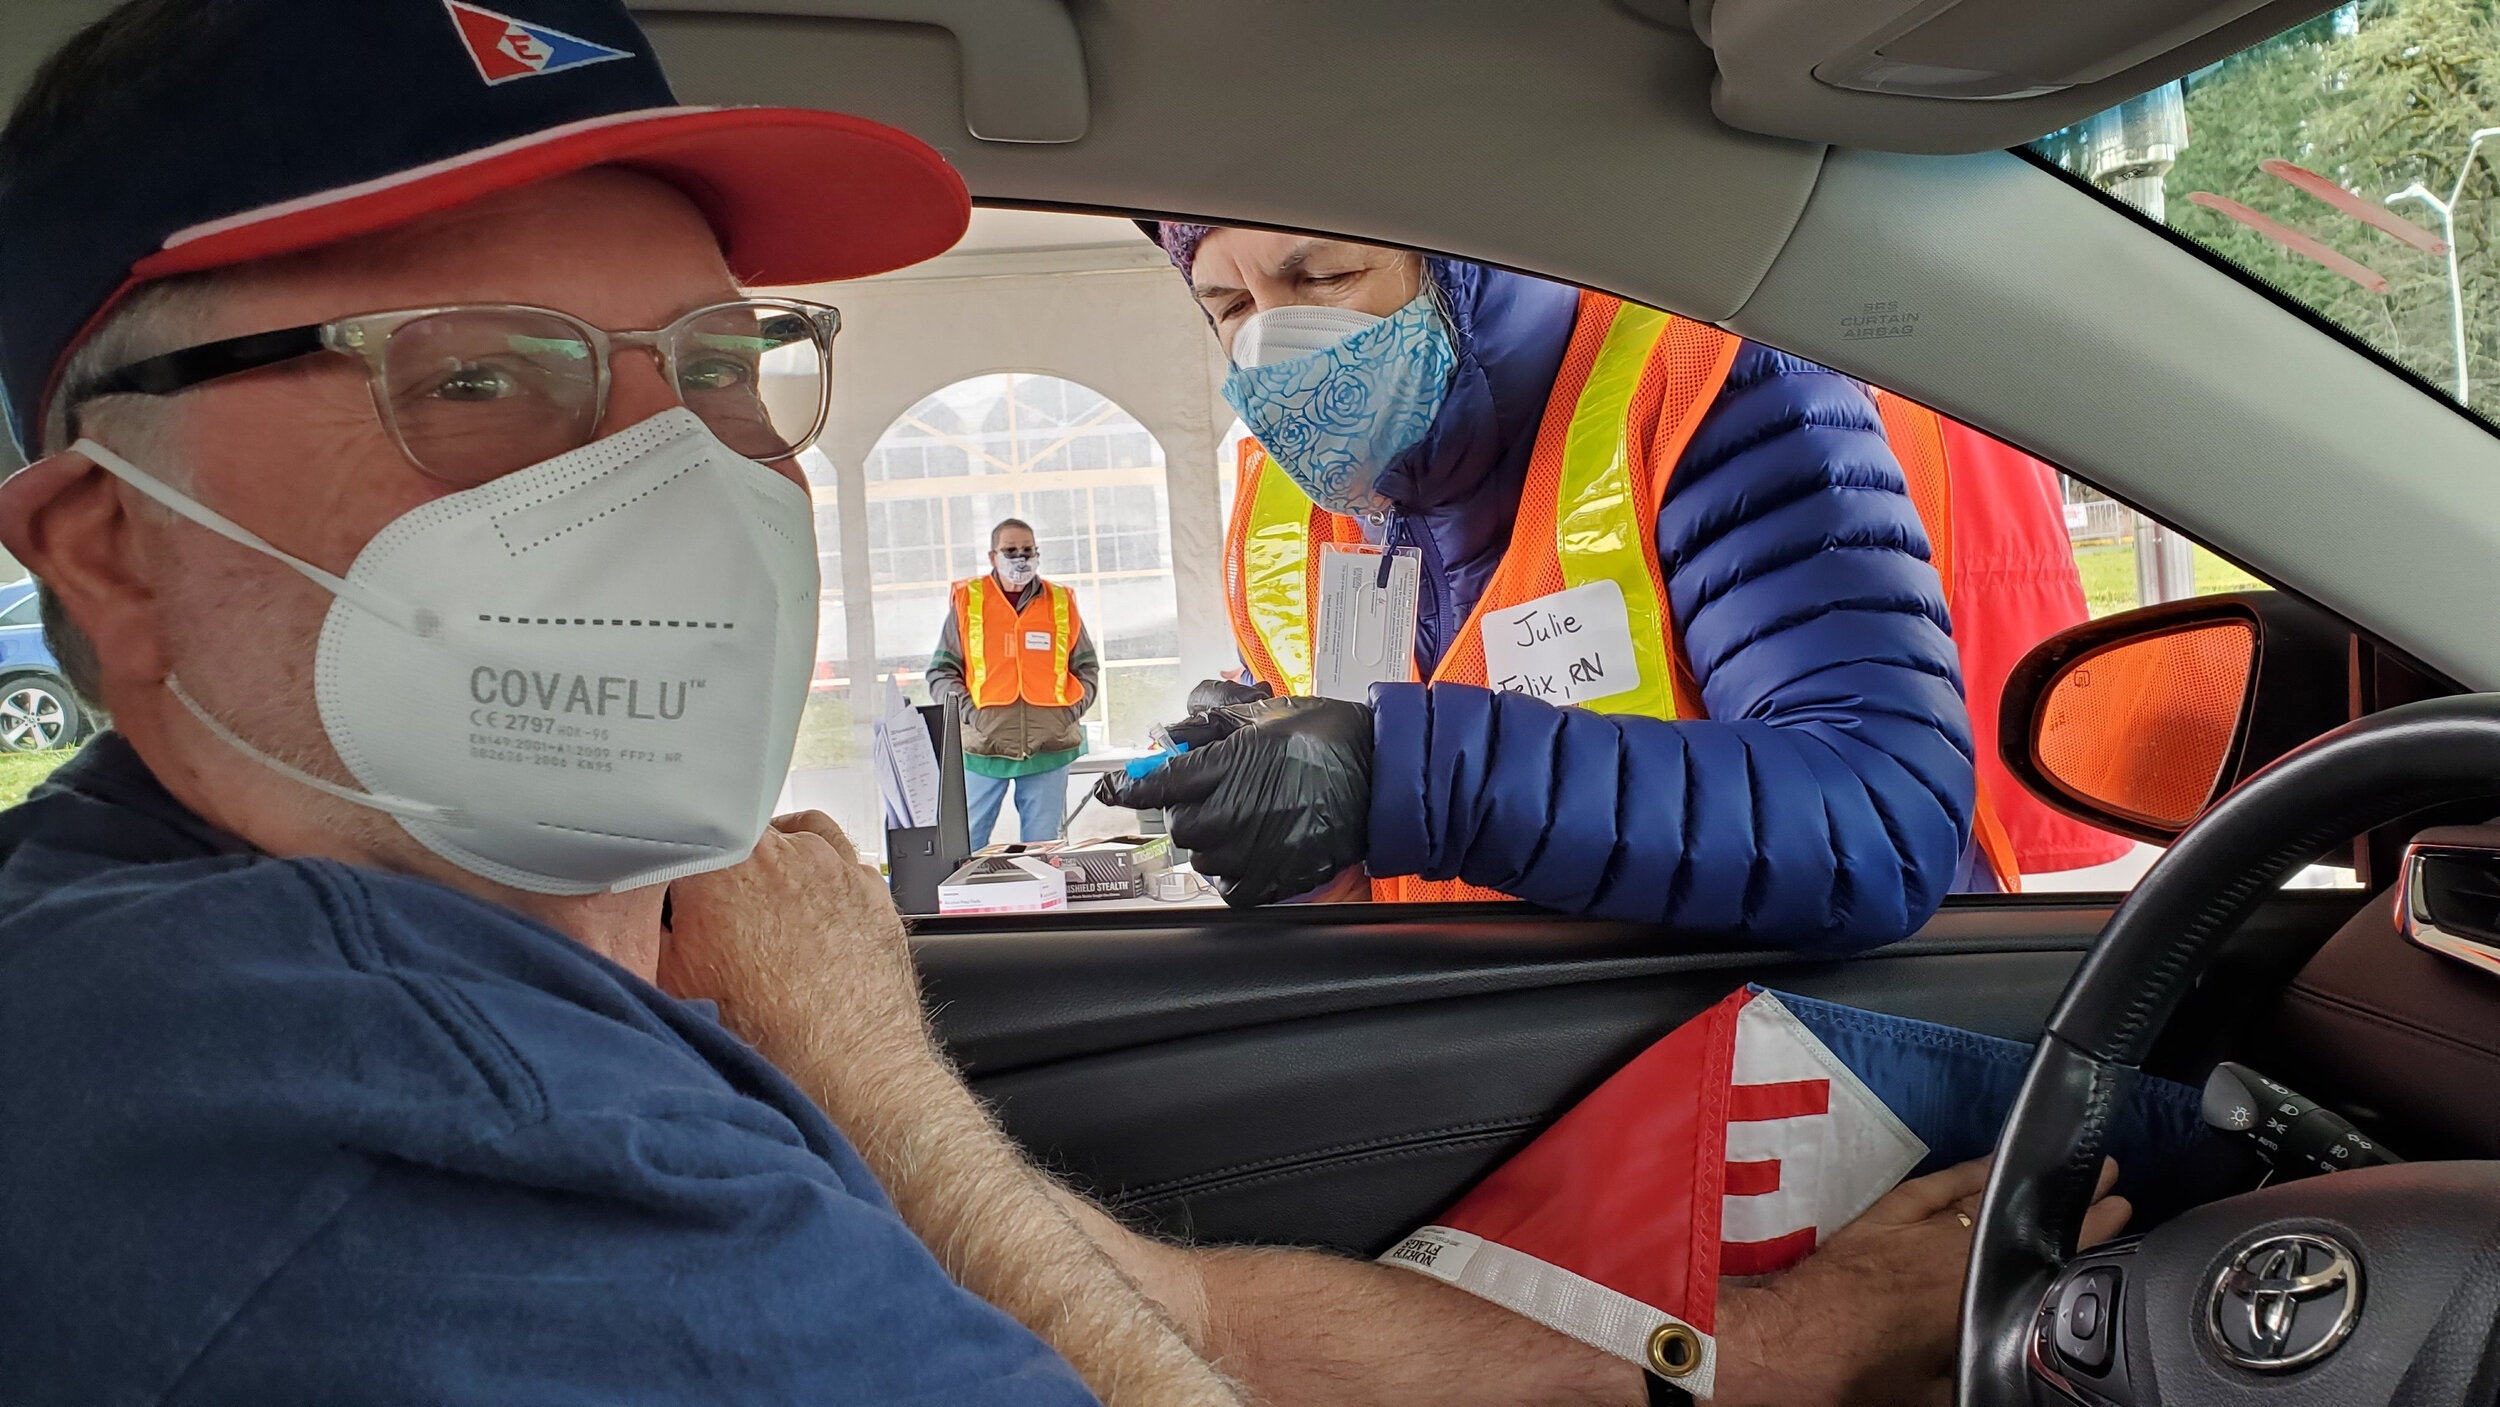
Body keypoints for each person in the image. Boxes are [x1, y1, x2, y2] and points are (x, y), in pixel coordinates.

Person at [0, 4, 2136, 1405]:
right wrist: (879, 1042)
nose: (679, 479)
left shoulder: (1696, 386)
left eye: (726, 365)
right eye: (478, 377)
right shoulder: (318, 1104)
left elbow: (1168, 1308)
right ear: (103, 549)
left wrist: (1732, 1361)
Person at [1102, 228, 1982, 929]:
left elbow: (1881, 818)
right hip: (1489, 1057)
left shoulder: (1701, 384)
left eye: (1327, 278)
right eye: (1227, 304)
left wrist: (1404, 774)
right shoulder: (1290, 514)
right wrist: (1286, 828)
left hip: (1753, 1066)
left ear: (1457, 247)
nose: (1274, 343)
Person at [927, 517, 1100, 845]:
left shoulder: (1060, 601)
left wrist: (1065, 714)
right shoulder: (969, 601)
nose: (1020, 559)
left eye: (1027, 550)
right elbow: (941, 672)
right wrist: (972, 715)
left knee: (1041, 851)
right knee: (966, 845)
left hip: (1050, 749)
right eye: (1010, 551)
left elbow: (1086, 669)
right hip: (982, 748)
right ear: (992, 556)